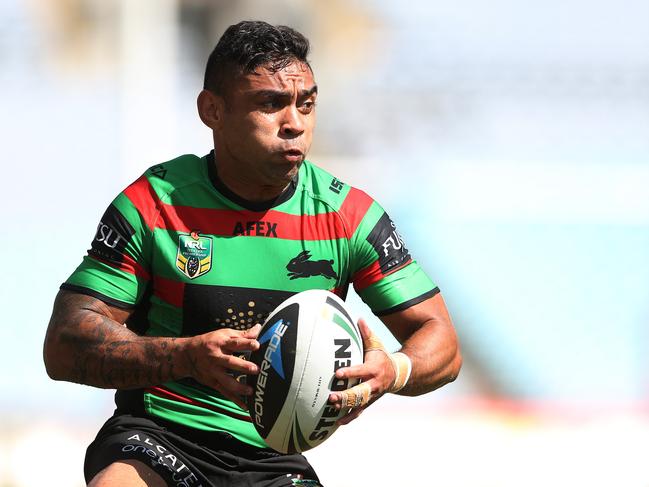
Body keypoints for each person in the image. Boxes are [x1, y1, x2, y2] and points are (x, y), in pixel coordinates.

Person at [43, 20, 462, 487]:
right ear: (212, 110)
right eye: (270, 104)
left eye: (306, 104)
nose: (295, 124)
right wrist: (186, 357)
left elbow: (441, 342)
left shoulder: (349, 215)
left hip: (276, 462)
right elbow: (64, 344)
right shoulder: (155, 203)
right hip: (159, 439)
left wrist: (394, 370)